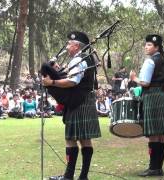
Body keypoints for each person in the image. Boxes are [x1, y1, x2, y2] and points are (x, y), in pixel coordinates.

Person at [43, 31, 101, 180]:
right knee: (85, 139)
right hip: (85, 100)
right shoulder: (86, 59)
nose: (67, 47)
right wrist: (57, 71)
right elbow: (73, 77)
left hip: (78, 102)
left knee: (71, 139)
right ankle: (83, 177)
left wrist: (52, 82)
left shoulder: (79, 59)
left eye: (69, 44)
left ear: (76, 46)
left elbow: (72, 82)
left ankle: (69, 177)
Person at [131, 34, 164, 177]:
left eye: (149, 45)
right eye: (146, 44)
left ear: (157, 47)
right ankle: (158, 168)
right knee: (161, 135)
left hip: (152, 97)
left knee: (153, 134)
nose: (146, 47)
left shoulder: (150, 61)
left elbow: (145, 82)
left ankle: (153, 168)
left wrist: (134, 78)